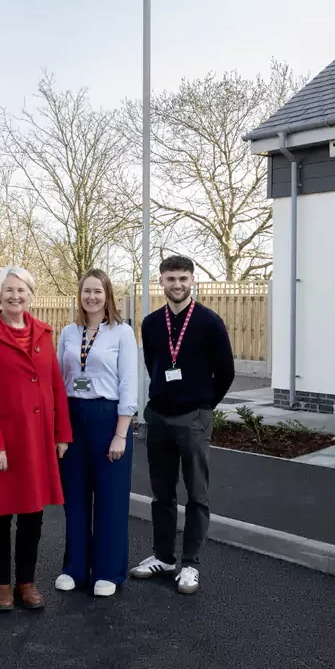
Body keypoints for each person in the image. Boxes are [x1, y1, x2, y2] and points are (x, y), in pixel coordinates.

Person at [0, 265, 71, 612]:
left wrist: (62, 434)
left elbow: (56, 385)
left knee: (32, 513)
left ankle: (26, 581)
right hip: (3, 440)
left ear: (30, 295)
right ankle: (0, 584)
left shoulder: (43, 333)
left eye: (21, 290)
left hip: (37, 438)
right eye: (9, 290)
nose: (15, 296)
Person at [130, 254, 234, 595]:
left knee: (196, 495)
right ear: (161, 281)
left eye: (183, 279)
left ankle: (190, 563)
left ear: (192, 281)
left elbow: (226, 372)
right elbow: (153, 364)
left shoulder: (209, 322)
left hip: (194, 419)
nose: (177, 285)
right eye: (171, 278)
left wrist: (203, 406)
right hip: (159, 416)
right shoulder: (150, 323)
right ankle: (163, 557)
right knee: (161, 493)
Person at [55, 268, 137, 598]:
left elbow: (129, 384)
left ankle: (107, 571)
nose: (91, 297)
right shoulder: (68, 332)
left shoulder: (122, 333)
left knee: (110, 499)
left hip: (108, 418)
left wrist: (121, 433)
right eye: (86, 291)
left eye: (98, 291)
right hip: (73, 417)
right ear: (79, 295)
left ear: (107, 296)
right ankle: (75, 568)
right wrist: (59, 429)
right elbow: (58, 382)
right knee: (75, 498)